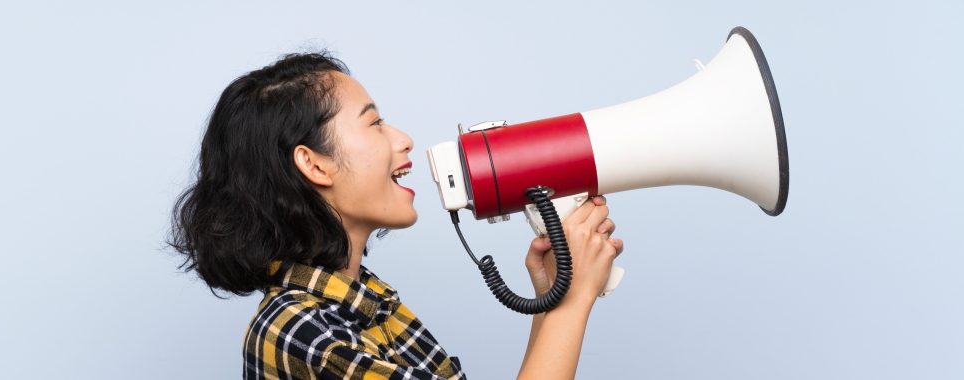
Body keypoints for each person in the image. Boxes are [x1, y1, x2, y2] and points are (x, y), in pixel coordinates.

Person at [169, 51, 624, 380]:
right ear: (314, 164)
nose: (403, 139)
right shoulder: (302, 334)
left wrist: (553, 297)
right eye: (374, 123)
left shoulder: (361, 300)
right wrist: (575, 301)